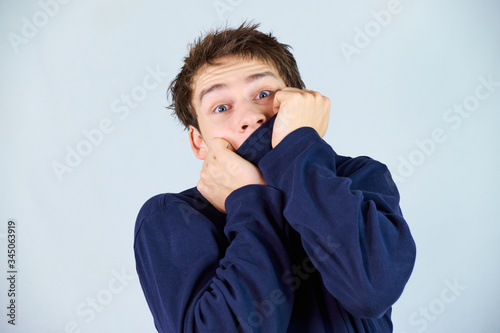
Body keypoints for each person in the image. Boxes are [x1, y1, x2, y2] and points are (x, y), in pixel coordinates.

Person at [134, 22, 416, 332]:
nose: (250, 117)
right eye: (222, 107)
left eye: (263, 93)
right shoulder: (174, 219)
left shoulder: (358, 177)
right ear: (198, 141)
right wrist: (251, 202)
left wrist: (297, 149)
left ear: (298, 103)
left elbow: (371, 290)